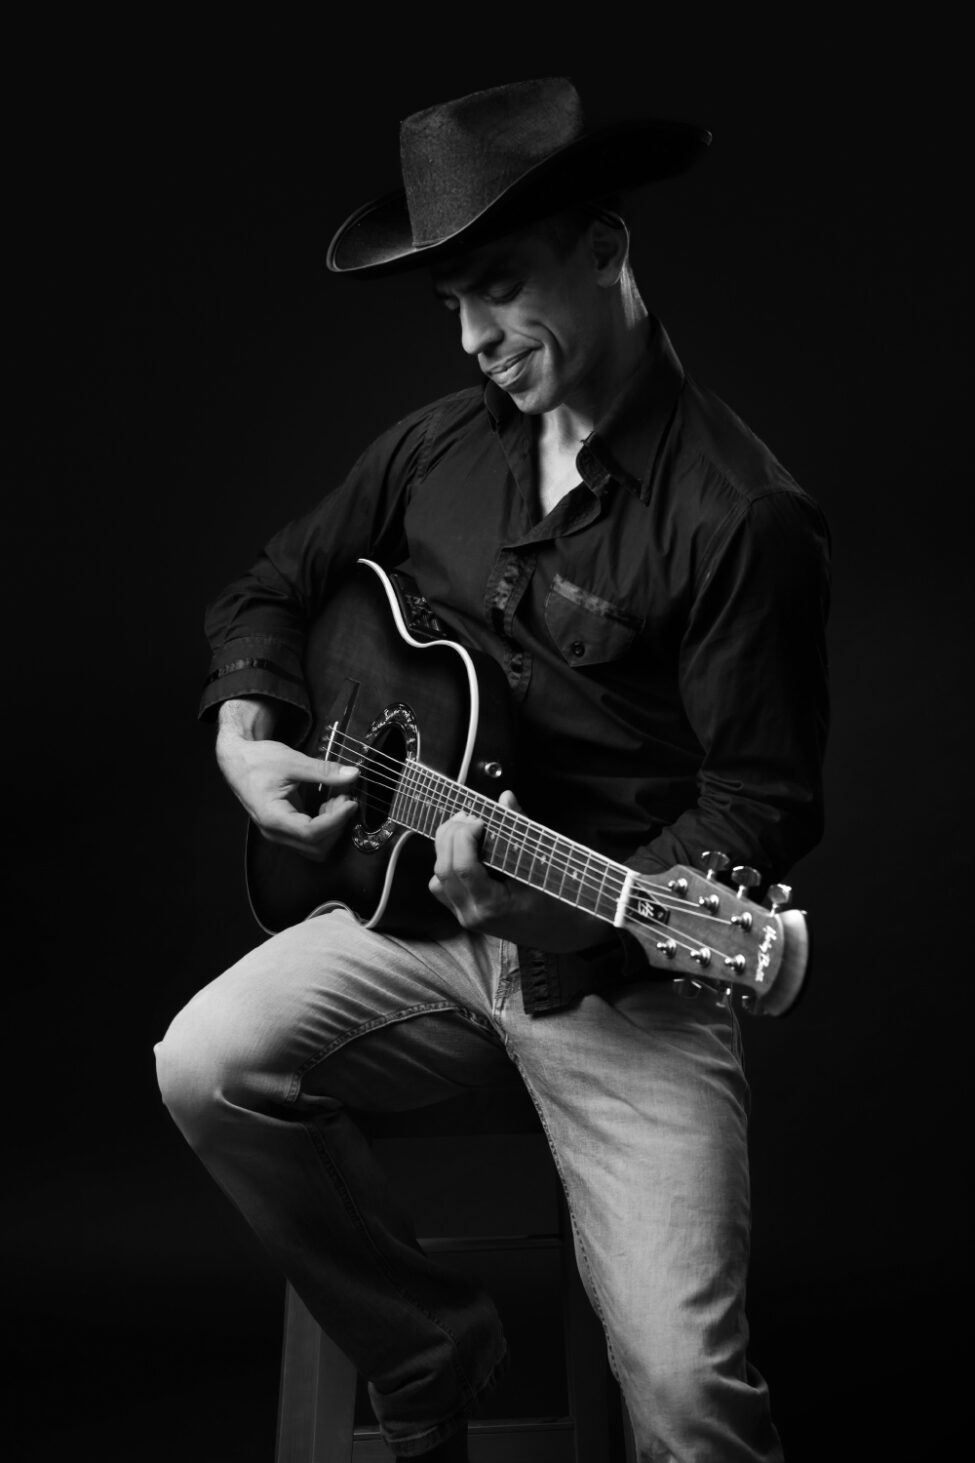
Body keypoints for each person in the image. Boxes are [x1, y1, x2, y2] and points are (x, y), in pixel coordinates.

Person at [155, 77, 830, 1461]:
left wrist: (574, 910)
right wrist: (244, 731)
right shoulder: (439, 446)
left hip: (625, 975)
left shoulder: (739, 516)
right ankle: (433, 1354)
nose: (472, 340)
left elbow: (759, 806)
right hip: (418, 931)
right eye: (451, 302)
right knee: (204, 1064)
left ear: (604, 247)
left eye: (500, 288)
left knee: (697, 1409)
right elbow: (274, 588)